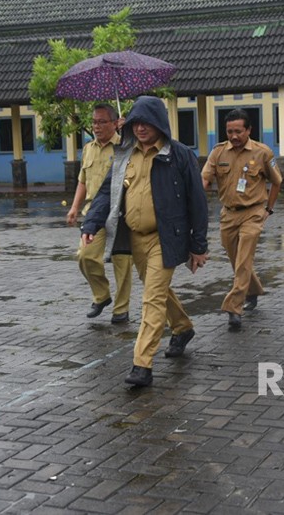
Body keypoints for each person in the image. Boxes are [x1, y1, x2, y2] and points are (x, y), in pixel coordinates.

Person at [82, 96, 208, 387]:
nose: (140, 128)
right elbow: (106, 194)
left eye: (146, 122)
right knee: (158, 290)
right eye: (136, 123)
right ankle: (182, 327)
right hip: (134, 237)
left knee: (151, 297)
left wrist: (198, 245)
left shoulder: (178, 155)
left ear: (159, 123)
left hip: (165, 238)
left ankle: (142, 364)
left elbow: (197, 201)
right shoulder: (124, 154)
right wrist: (90, 222)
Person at [201, 109, 282, 329]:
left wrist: (269, 209)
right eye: (229, 131)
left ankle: (234, 307)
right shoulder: (218, 153)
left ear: (248, 130)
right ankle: (253, 290)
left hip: (253, 212)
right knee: (237, 260)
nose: (234, 136)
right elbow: (205, 179)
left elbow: (277, 181)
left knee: (244, 258)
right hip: (228, 213)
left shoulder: (262, 152)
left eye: (238, 131)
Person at [66, 104, 133, 323]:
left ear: (115, 123)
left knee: (122, 261)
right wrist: (75, 207)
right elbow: (82, 181)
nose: (96, 126)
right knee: (85, 256)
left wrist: (128, 132)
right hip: (94, 215)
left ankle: (121, 309)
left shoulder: (125, 146)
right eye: (94, 122)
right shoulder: (88, 148)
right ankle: (101, 295)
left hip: (121, 213)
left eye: (102, 121)